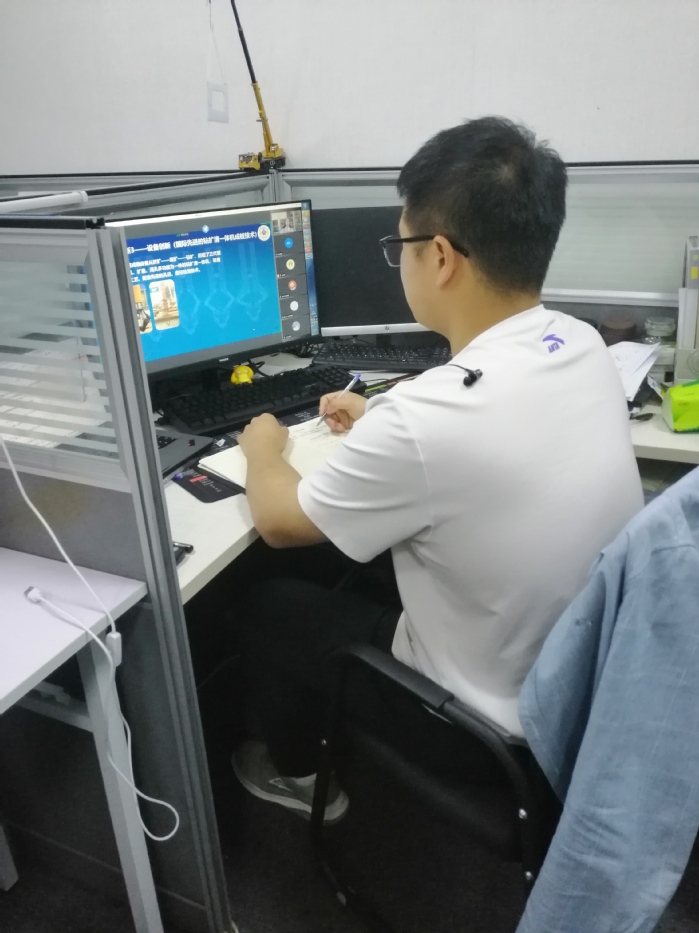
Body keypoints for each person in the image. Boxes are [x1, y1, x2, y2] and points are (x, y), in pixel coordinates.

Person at [231, 116, 644, 824]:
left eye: (401, 247)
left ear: (442, 257)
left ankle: (301, 780)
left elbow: (278, 521)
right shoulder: (579, 343)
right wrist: (380, 422)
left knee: (268, 603)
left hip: (486, 736)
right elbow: (493, 442)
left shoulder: (425, 419)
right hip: (577, 694)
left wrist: (262, 448)